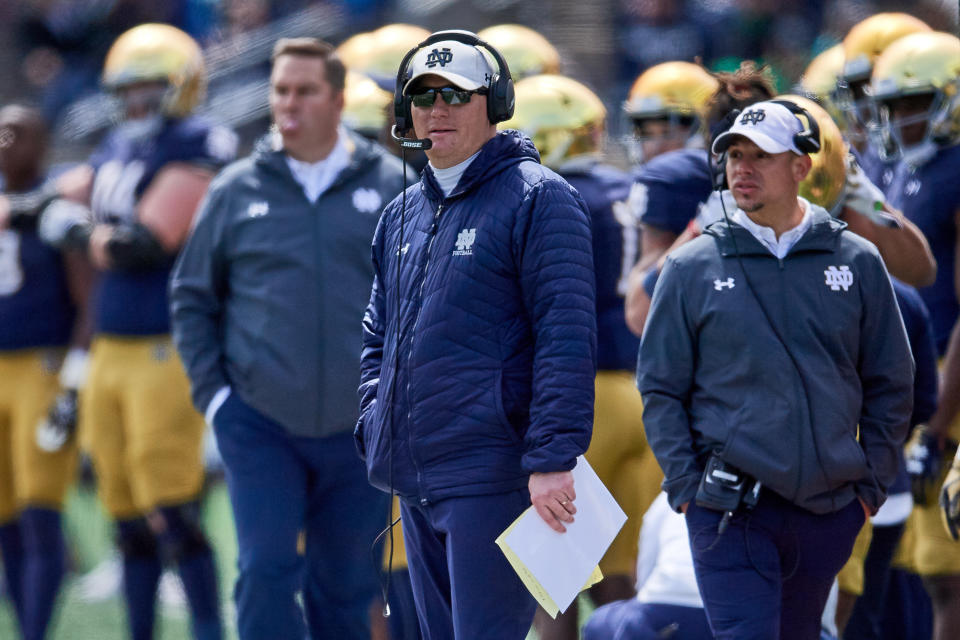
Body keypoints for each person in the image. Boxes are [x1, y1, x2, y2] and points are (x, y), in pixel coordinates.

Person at [637, 99, 914, 640]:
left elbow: (892, 381)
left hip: (829, 511)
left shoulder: (857, 261)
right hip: (724, 511)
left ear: (801, 167)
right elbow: (660, 386)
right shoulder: (690, 265)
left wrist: (868, 490)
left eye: (760, 156)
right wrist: (687, 487)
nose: (742, 167)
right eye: (735, 155)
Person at [356, 30, 596, 639]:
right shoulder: (400, 212)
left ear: (496, 103)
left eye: (455, 96)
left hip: (495, 473)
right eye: (423, 95)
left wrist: (551, 458)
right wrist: (374, 418)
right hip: (415, 473)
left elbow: (565, 336)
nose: (436, 110)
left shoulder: (541, 198)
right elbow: (376, 336)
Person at [171, 37, 406, 640]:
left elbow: (417, 301)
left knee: (347, 587)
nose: (288, 102)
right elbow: (193, 296)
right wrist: (217, 399)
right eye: (280, 90)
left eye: (304, 90)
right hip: (260, 422)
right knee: (264, 570)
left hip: (360, 429)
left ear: (337, 98)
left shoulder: (389, 185)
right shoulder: (235, 189)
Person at [43, 23, 237, 640]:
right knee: (123, 516)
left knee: (172, 512)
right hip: (110, 349)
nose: (135, 103)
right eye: (126, 91)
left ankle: (206, 627)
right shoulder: (118, 149)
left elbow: (142, 245)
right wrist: (48, 208)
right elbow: (55, 195)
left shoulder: (198, 140)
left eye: (149, 89)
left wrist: (74, 229)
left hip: (165, 347)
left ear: (181, 87)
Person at [502, 73, 647, 640]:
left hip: (581, 396)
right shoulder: (630, 189)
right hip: (639, 387)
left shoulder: (551, 196)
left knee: (554, 579)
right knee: (620, 574)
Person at [870, 30, 960, 640]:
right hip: (919, 385)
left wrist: (940, 427)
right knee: (912, 564)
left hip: (949, 389)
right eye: (893, 105)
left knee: (948, 574)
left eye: (916, 102)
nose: (903, 119)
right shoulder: (904, 167)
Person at [0, 104, 90, 640]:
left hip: (44, 367)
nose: (5, 141)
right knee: (5, 516)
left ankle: (35, 633)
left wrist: (74, 382)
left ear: (43, 144)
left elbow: (88, 299)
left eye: (17, 133)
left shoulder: (56, 210)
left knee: (39, 511)